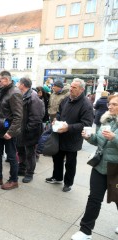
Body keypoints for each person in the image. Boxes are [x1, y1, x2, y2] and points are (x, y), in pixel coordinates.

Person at [71, 94, 118, 240]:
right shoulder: (106, 119)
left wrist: (114, 138)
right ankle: (85, 231)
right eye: (110, 103)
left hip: (116, 169)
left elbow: (113, 141)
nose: (109, 106)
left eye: (114, 104)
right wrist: (89, 137)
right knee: (94, 199)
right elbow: (98, 141)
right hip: (99, 166)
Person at [46, 78, 94, 192]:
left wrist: (69, 127)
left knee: (70, 163)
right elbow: (59, 112)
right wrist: (56, 119)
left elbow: (86, 124)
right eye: (71, 86)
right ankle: (57, 177)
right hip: (60, 135)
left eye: (74, 88)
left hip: (73, 139)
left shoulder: (86, 105)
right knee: (57, 158)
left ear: (81, 90)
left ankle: (68, 183)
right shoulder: (67, 99)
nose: (71, 89)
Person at [16, 78, 44, 183]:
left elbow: (36, 118)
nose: (17, 84)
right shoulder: (23, 95)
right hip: (21, 130)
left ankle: (29, 173)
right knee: (21, 150)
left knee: (30, 153)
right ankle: (22, 168)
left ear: (22, 85)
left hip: (30, 132)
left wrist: (27, 129)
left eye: (18, 83)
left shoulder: (33, 97)